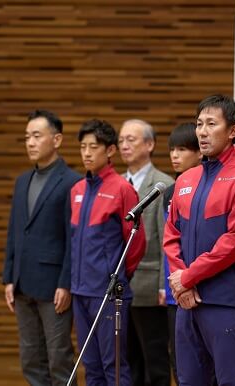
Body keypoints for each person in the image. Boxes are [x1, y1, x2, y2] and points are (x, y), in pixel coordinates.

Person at [164, 95, 235, 386]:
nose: (202, 131)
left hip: (226, 303)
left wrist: (189, 276)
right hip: (187, 303)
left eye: (211, 124)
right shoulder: (186, 179)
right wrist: (180, 281)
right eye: (199, 124)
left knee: (231, 381)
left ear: (232, 131)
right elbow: (172, 236)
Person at [3, 109, 80, 386]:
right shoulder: (22, 180)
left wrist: (66, 283)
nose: (30, 142)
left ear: (57, 140)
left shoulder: (72, 182)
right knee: (31, 358)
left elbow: (74, 240)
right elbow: (14, 231)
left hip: (54, 287)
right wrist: (9, 277)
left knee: (59, 357)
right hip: (22, 283)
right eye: (27, 137)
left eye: (37, 136)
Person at [70, 119, 146, 386]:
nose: (87, 153)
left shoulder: (123, 189)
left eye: (93, 147)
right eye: (83, 147)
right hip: (80, 292)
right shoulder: (77, 190)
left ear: (110, 150)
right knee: (90, 365)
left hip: (108, 293)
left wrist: (117, 277)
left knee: (113, 365)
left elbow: (136, 243)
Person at [118, 119, 173, 386]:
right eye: (121, 141)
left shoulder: (162, 184)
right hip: (120, 287)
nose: (124, 145)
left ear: (150, 145)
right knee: (127, 360)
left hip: (150, 287)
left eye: (131, 139)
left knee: (155, 359)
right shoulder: (116, 183)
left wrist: (165, 284)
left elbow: (168, 240)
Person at [162, 122, 203, 384]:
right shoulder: (168, 191)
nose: (175, 155)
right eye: (172, 150)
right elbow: (167, 242)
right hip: (173, 290)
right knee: (179, 361)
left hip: (201, 285)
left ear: (199, 152)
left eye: (182, 149)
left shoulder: (209, 187)